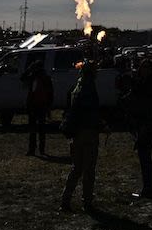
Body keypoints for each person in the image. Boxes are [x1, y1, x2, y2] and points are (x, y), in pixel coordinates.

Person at [60, 59, 103, 212]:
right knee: (89, 170)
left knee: (76, 168)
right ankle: (87, 202)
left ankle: (65, 199)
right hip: (88, 132)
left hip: (76, 133)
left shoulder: (76, 88)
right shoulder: (89, 89)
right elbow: (91, 113)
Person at [125, 60, 152, 200]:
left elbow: (146, 104)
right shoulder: (145, 82)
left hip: (147, 124)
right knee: (144, 157)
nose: (144, 70)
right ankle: (148, 187)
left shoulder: (149, 84)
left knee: (145, 157)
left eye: (147, 68)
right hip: (143, 123)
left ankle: (149, 188)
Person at [24, 60, 54, 158]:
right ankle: (41, 149)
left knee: (33, 129)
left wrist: (29, 69)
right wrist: (49, 106)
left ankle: (32, 149)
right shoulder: (46, 78)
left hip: (34, 105)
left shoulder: (33, 77)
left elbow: (22, 78)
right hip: (42, 105)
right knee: (41, 129)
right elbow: (50, 94)